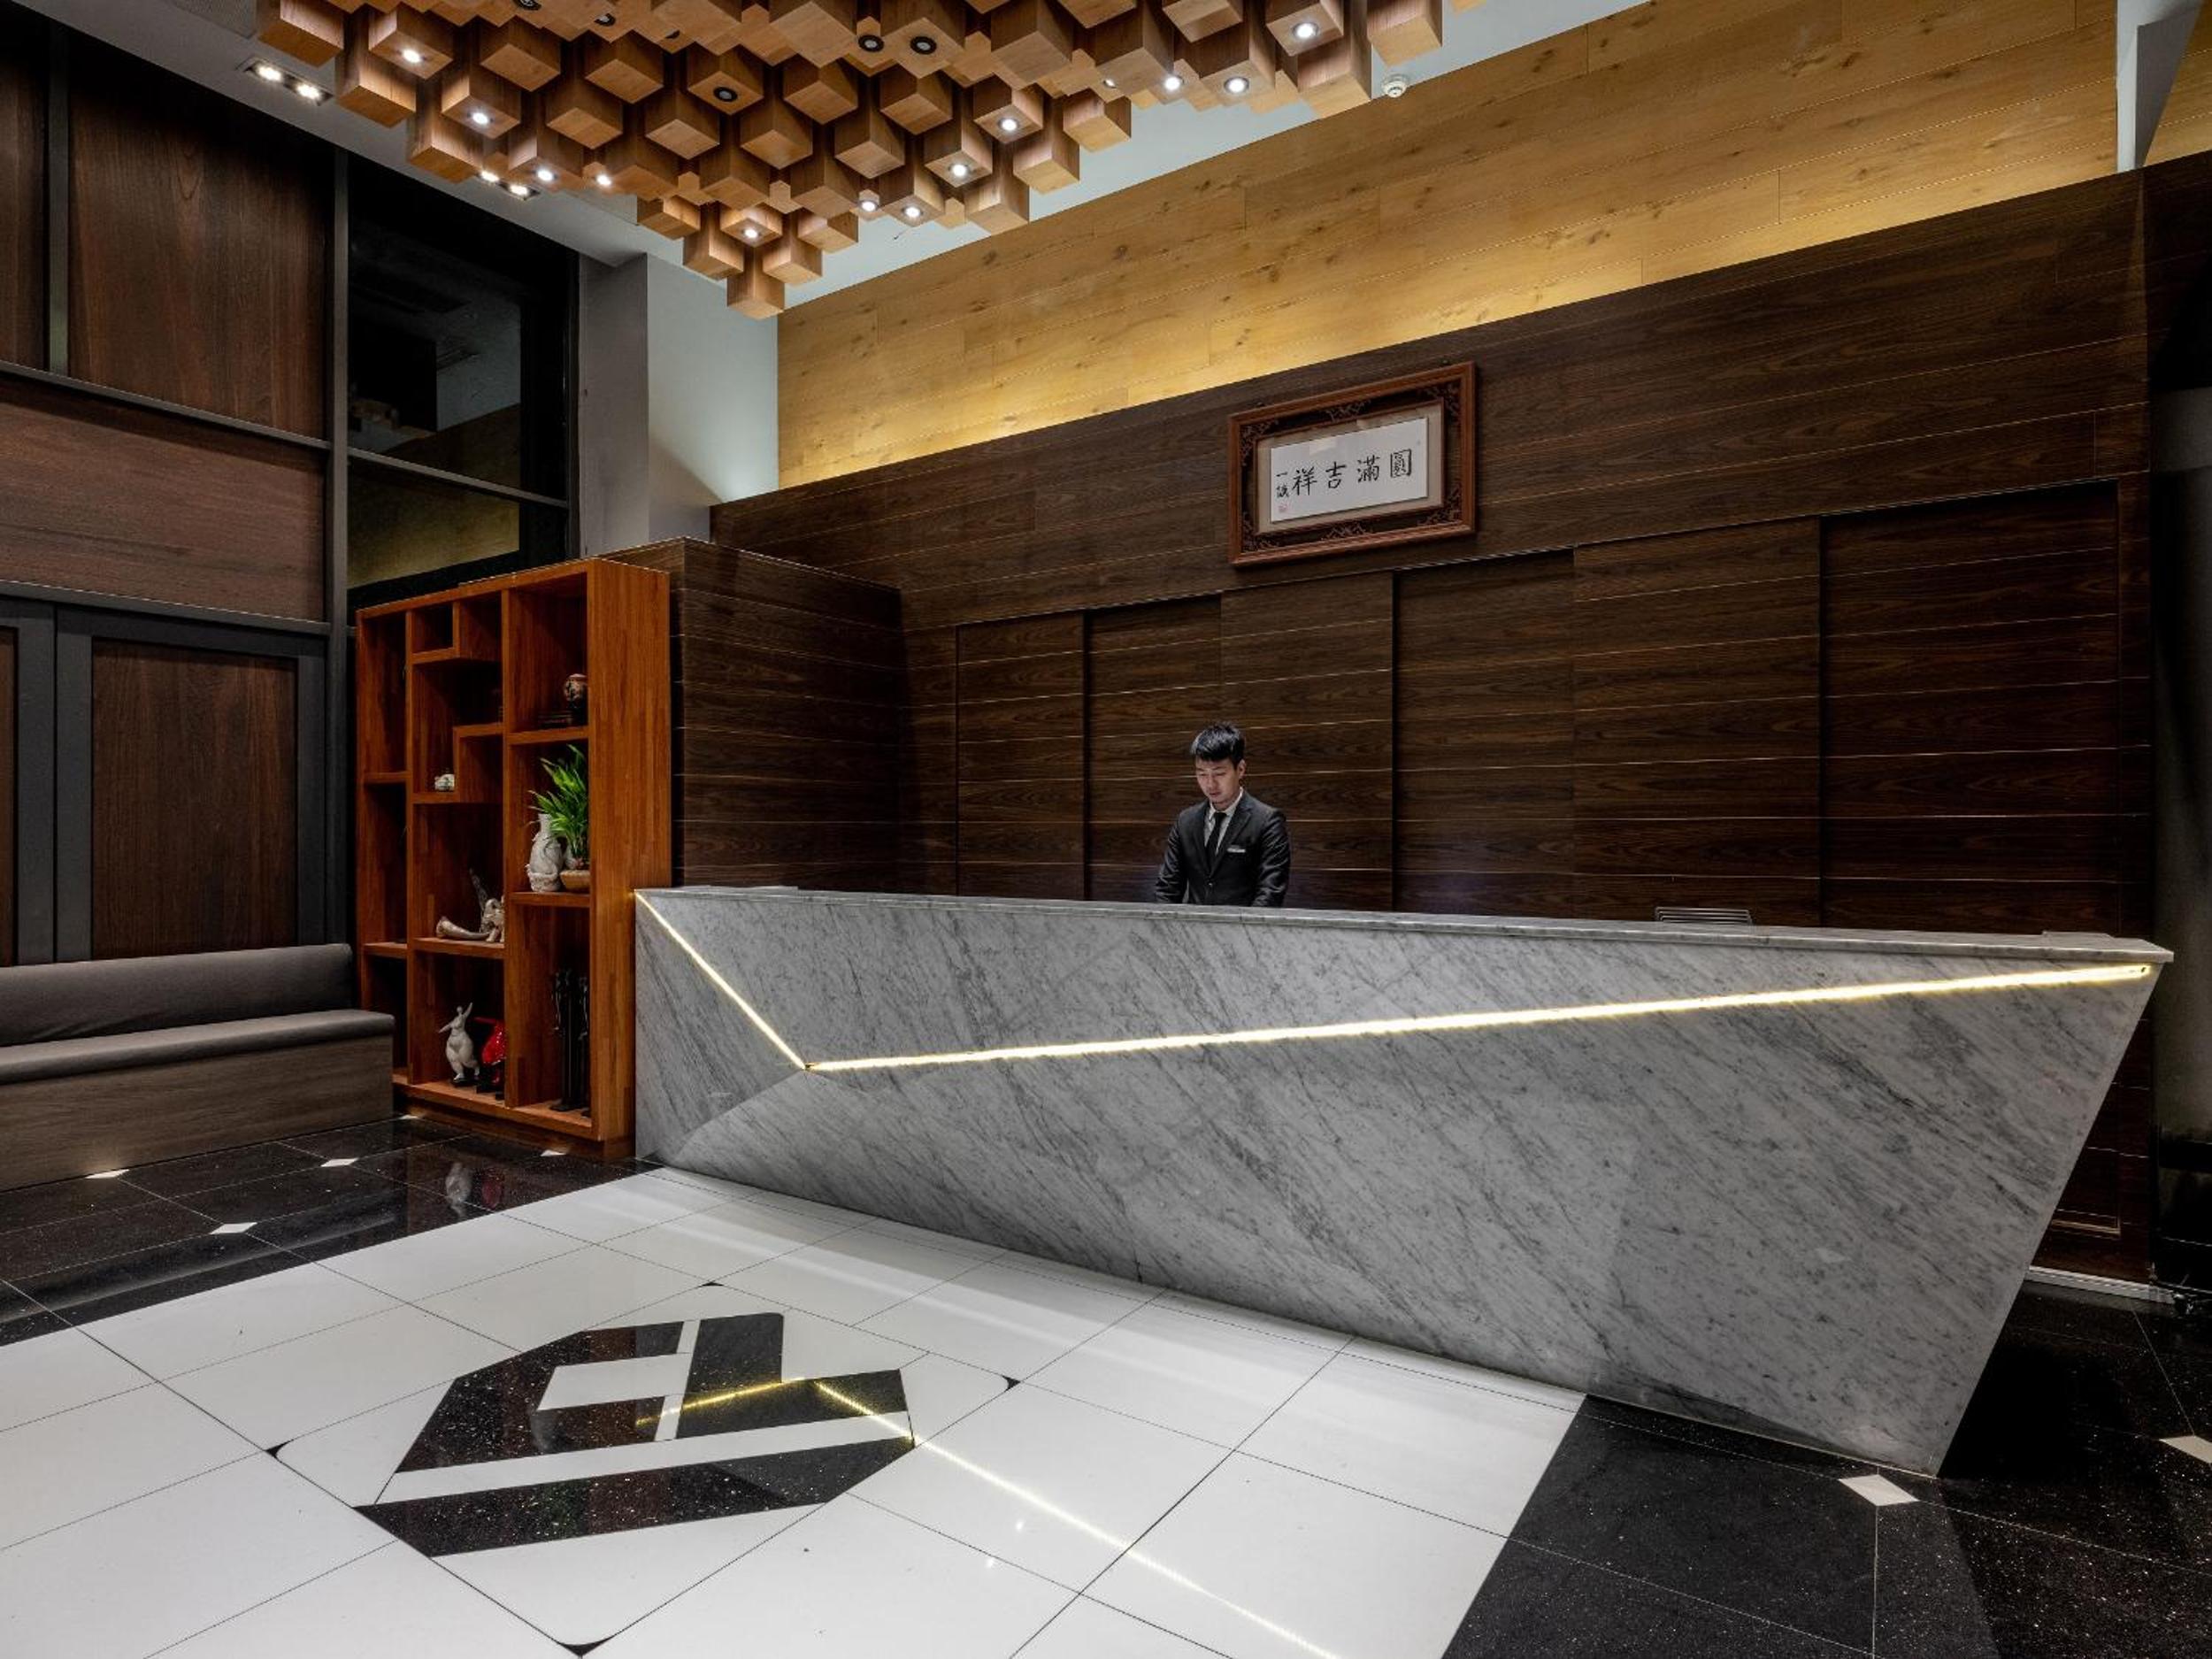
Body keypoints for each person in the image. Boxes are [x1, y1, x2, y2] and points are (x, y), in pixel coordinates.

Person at [1153, 723, 1291, 907]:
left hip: (1243, 924)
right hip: (1192, 924)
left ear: (1240, 769)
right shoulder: (1185, 821)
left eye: (1219, 774)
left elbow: (1270, 893)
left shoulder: (1267, 821)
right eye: (1202, 774)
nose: (1210, 784)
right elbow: (1167, 888)